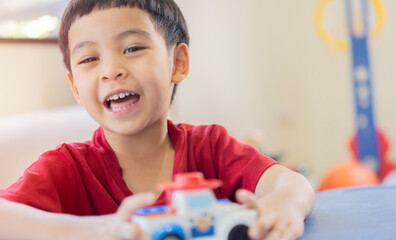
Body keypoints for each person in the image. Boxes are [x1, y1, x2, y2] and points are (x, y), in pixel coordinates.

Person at [0, 0, 315, 239]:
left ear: (177, 63)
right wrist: (93, 230)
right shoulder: (65, 168)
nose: (111, 70)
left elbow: (292, 183)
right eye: (90, 59)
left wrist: (286, 203)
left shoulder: (211, 147)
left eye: (133, 48)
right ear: (75, 89)